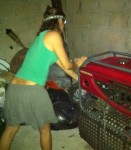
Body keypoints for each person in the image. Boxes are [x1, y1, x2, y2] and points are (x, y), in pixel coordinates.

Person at [0, 6, 87, 150]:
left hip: (15, 88)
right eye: (63, 22)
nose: (63, 26)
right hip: (33, 90)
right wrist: (77, 63)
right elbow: (68, 64)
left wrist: (81, 80)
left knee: (10, 130)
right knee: (45, 130)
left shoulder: (41, 39)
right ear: (60, 20)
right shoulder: (54, 35)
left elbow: (65, 68)